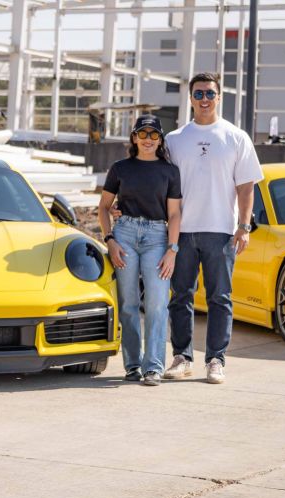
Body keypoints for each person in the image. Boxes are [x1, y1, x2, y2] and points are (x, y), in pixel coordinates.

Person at [163, 72, 263, 384]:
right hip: (183, 232)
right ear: (190, 98)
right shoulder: (174, 140)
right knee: (181, 296)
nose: (204, 99)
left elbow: (247, 188)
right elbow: (162, 187)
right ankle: (182, 357)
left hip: (221, 230)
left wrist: (244, 226)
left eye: (210, 93)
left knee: (220, 297)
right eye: (198, 94)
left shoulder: (236, 137)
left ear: (219, 97)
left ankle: (216, 360)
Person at [98, 114, 181, 386]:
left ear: (160, 139)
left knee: (157, 304)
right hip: (125, 236)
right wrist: (110, 239)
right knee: (129, 305)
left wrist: (172, 249)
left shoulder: (170, 171)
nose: (148, 139)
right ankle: (133, 365)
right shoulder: (120, 168)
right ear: (134, 138)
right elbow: (103, 207)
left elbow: (175, 214)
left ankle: (153, 367)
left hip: (158, 237)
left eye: (153, 134)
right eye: (142, 134)